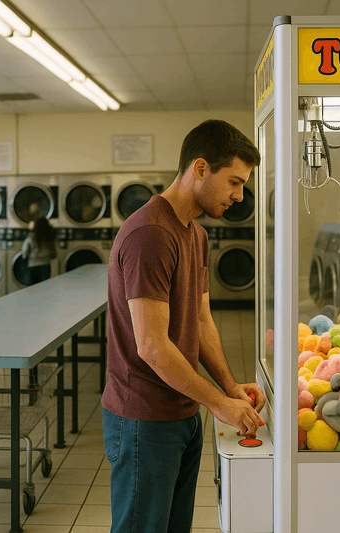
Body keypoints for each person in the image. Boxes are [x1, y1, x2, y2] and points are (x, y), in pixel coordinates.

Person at [101, 119, 265, 533]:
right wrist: (218, 404)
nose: (239, 195)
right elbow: (152, 347)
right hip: (144, 420)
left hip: (182, 411)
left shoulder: (196, 235)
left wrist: (228, 387)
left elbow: (201, 320)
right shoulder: (151, 234)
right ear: (200, 168)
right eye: (234, 182)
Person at [21, 216, 56, 285]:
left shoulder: (31, 236)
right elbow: (53, 251)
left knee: (33, 287)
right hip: (46, 264)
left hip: (33, 264)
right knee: (44, 286)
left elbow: (25, 250)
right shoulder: (49, 236)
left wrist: (24, 259)